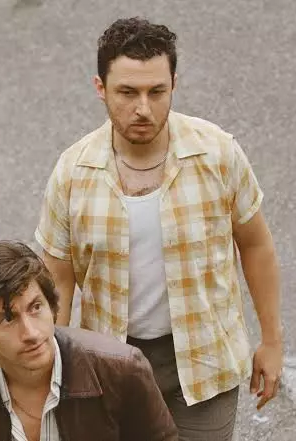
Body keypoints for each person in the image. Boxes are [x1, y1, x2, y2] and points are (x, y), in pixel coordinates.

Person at [34, 17, 283, 440]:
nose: (143, 109)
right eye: (127, 92)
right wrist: (48, 370)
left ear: (174, 85)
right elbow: (57, 279)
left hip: (204, 364)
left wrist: (272, 341)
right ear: (100, 88)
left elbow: (256, 244)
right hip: (110, 366)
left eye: (156, 91)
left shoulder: (217, 154)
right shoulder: (72, 173)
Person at [0, 240, 177, 441]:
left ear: (51, 304)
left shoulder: (122, 371)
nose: (31, 333)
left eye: (35, 307)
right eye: (8, 319)